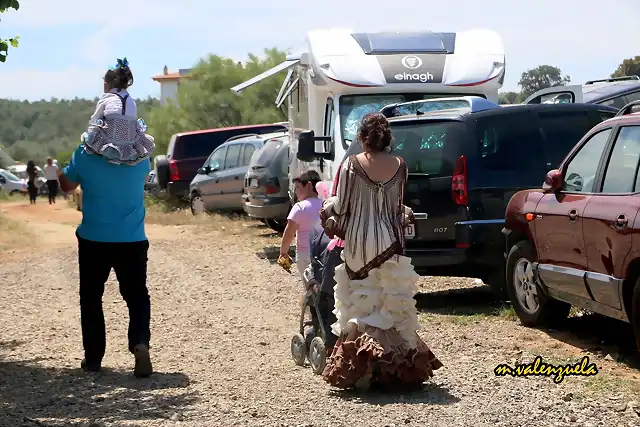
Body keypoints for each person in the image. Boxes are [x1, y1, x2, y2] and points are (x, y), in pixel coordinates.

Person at [319, 112, 443, 391]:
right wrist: (407, 215)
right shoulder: (400, 165)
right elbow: (396, 207)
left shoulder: (352, 164)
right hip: (392, 242)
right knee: (390, 303)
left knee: (362, 302)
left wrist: (327, 208)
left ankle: (366, 368)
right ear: (387, 138)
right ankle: (398, 369)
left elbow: (343, 207)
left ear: (362, 137)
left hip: (359, 245)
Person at [58, 57, 155, 378]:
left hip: (94, 237)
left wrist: (66, 164)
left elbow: (67, 184)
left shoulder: (85, 154)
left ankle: (94, 358)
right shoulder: (141, 158)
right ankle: (140, 342)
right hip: (133, 239)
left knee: (92, 298)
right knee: (137, 296)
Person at [279, 170, 324, 280]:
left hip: (304, 255)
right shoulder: (325, 204)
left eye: (298, 187)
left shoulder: (299, 207)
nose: (296, 191)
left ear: (308, 185)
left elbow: (289, 232)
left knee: (308, 285)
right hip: (323, 253)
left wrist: (283, 252)